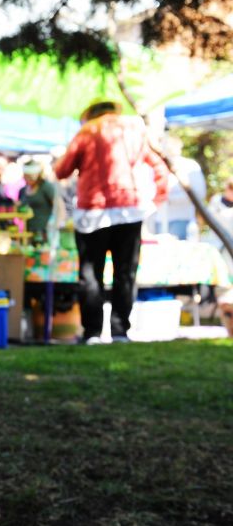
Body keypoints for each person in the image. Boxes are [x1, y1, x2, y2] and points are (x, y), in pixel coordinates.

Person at [54, 100, 169, 345]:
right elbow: (159, 167)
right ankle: (119, 331)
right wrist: (156, 198)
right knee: (125, 273)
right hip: (130, 209)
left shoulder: (87, 132)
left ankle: (92, 332)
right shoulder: (135, 130)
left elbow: (62, 170)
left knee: (90, 274)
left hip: (93, 213)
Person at [153, 136, 206, 240]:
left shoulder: (190, 166)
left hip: (182, 218)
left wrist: (170, 199)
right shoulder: (157, 165)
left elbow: (199, 193)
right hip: (160, 219)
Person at [18, 159, 59, 243]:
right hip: (28, 233)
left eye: (30, 176)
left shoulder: (46, 187)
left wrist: (54, 224)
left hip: (45, 232)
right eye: (26, 176)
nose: (28, 178)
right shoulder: (22, 190)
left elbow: (58, 206)